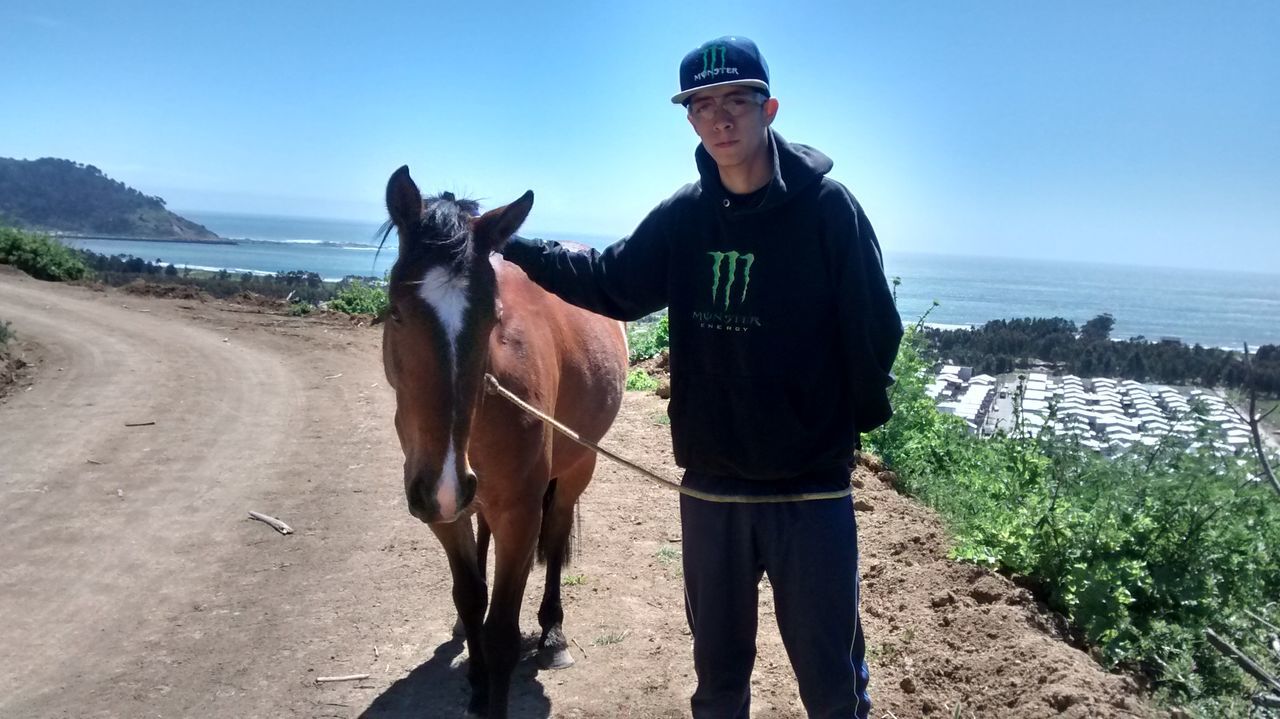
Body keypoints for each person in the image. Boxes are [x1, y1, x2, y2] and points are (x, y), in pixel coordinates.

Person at [499, 35, 902, 719]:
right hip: (712, 489)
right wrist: (507, 243)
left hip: (809, 492)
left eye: (737, 101)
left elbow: (876, 329)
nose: (721, 119)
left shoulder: (829, 210)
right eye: (703, 105)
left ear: (768, 108)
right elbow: (611, 281)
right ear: (689, 119)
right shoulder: (685, 217)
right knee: (717, 684)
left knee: (832, 684)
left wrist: (835, 432)